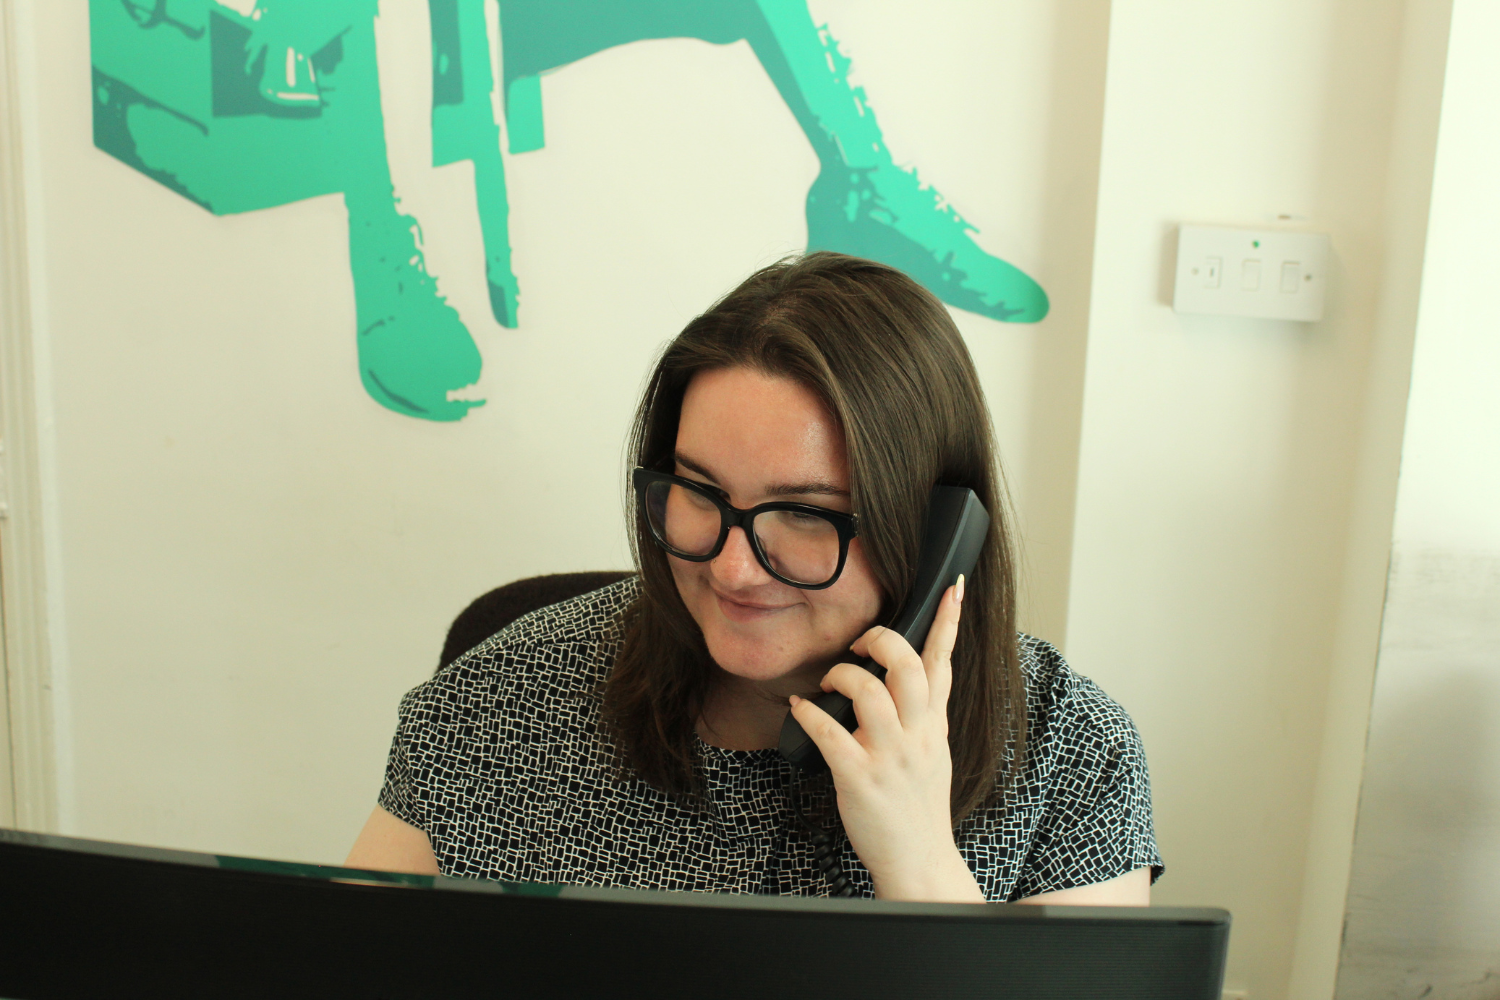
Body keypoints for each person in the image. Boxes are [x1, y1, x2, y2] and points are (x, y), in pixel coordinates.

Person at [347, 252, 1160, 903]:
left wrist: (920, 867)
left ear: (936, 529)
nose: (733, 568)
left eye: (803, 513)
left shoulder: (1070, 755)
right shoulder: (499, 705)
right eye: (699, 492)